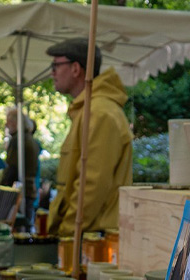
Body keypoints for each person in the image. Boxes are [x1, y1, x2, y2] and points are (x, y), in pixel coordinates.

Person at [44, 38, 133, 239]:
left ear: (76, 68)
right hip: (88, 236)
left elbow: (91, 186)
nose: (52, 72)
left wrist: (68, 233)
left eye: (56, 65)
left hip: (92, 240)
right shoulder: (91, 110)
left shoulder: (98, 113)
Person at [0, 106, 40, 226]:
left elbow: (12, 168)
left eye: (8, 121)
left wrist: (3, 190)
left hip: (19, 192)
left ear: (15, 122)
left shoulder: (18, 140)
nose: (6, 125)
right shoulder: (30, 139)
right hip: (29, 190)